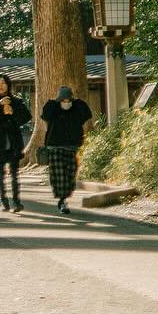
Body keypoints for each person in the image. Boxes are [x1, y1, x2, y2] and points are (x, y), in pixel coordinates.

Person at [40, 84, 93, 216]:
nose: (66, 103)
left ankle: (64, 197)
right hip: (55, 146)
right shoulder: (53, 110)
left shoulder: (76, 109)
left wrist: (76, 101)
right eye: (63, 100)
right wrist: (54, 102)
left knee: (70, 174)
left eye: (68, 100)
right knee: (59, 174)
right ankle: (62, 200)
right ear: (59, 100)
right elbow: (45, 114)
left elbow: (87, 113)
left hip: (72, 146)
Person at [0, 74, 31, 213]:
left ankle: (16, 202)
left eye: (4, 83)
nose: (1, 85)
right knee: (1, 174)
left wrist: (12, 112)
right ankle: (4, 201)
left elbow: (26, 116)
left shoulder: (16, 100)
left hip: (13, 141)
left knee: (15, 174)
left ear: (8, 85)